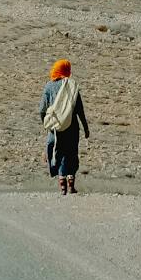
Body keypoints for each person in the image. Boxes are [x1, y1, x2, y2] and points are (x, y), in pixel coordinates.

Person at [39, 59, 89, 195]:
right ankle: (71, 185)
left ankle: (62, 187)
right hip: (72, 127)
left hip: (55, 126)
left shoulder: (49, 86)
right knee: (71, 153)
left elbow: (42, 109)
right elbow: (80, 109)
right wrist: (85, 127)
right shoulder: (72, 86)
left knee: (58, 153)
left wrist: (46, 123)